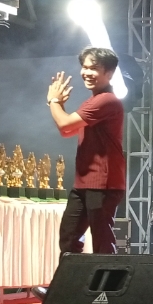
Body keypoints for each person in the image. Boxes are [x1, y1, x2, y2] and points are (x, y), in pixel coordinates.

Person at [47, 47, 126, 255]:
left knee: (102, 241)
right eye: (84, 67)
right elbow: (67, 130)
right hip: (84, 182)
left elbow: (64, 124)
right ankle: (69, 277)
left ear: (109, 73)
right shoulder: (93, 100)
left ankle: (108, 278)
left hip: (102, 183)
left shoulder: (106, 100)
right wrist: (59, 105)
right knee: (69, 237)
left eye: (94, 68)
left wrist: (53, 101)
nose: (87, 72)